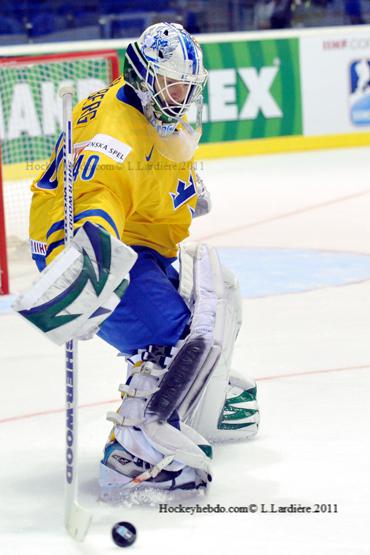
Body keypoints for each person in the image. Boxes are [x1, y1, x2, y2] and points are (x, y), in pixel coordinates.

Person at [25, 22, 260, 499]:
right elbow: (98, 195)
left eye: (187, 88)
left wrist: (179, 191)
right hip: (92, 246)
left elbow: (149, 165)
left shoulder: (144, 107)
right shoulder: (114, 137)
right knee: (172, 334)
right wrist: (93, 261)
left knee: (215, 297)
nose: (181, 98)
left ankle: (199, 402)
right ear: (144, 77)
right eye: (172, 85)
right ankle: (132, 451)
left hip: (135, 240)